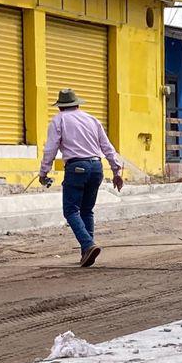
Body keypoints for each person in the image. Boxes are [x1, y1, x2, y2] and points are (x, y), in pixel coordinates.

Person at [38, 89, 126, 268]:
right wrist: (117, 172)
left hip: (76, 167)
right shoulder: (92, 120)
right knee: (87, 210)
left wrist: (43, 172)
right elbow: (107, 147)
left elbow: (51, 148)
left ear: (61, 107)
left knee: (71, 210)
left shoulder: (58, 120)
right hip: (96, 166)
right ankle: (86, 252)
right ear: (77, 104)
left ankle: (88, 245)